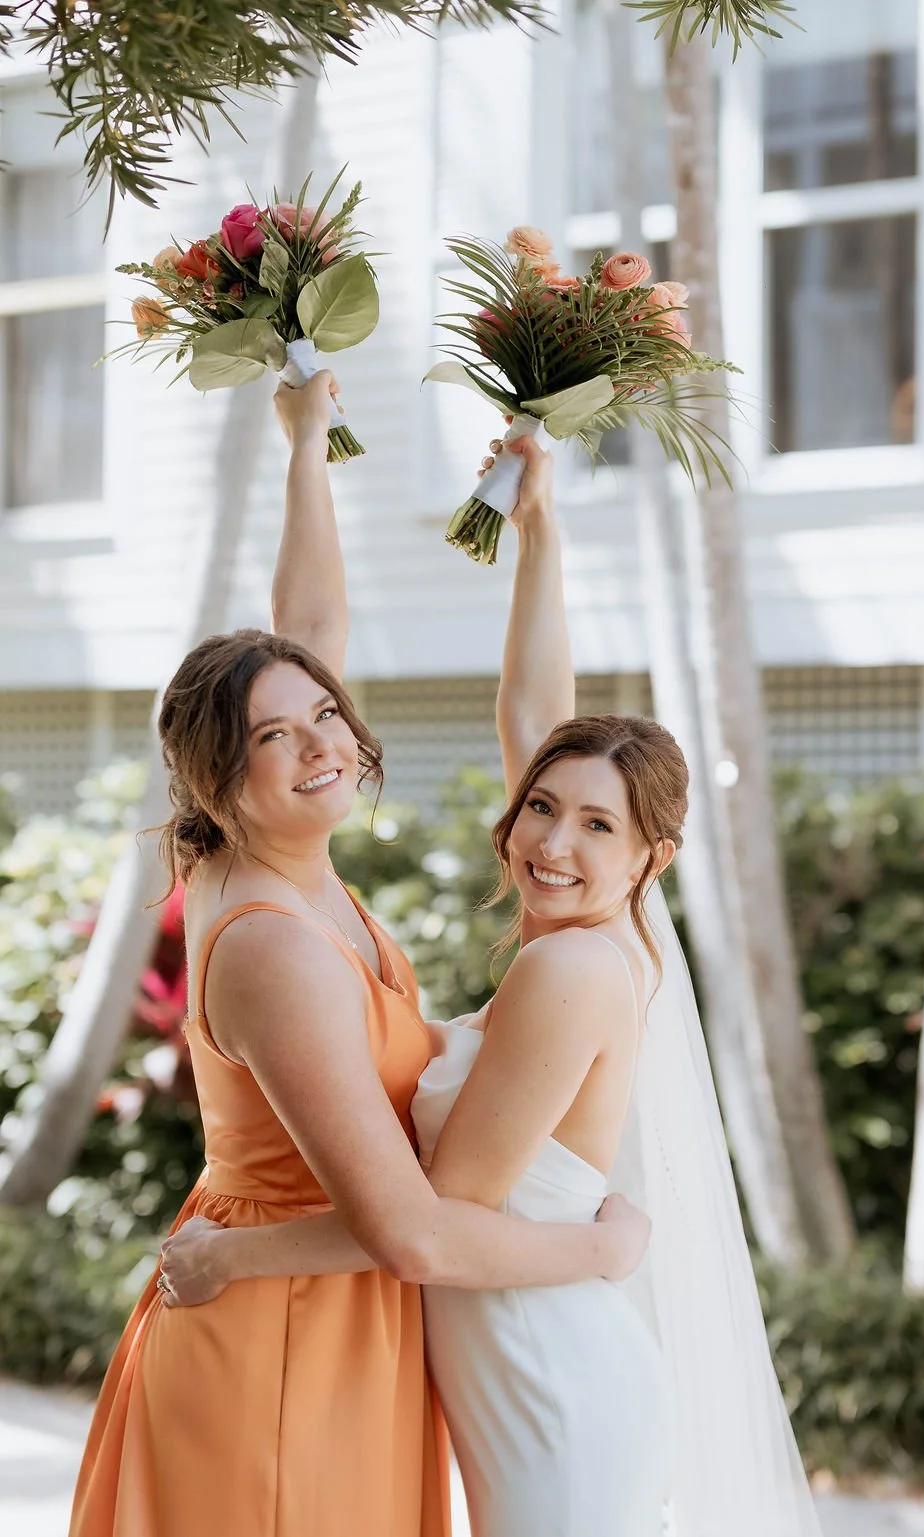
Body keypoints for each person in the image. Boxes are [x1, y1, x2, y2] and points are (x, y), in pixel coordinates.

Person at [160, 378, 824, 1537]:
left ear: (650, 860)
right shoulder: (559, 920)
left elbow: (424, 1224)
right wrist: (528, 526)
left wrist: (235, 1254)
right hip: (491, 1356)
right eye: (541, 810)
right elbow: (346, 656)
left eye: (596, 827)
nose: (554, 840)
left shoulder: (567, 969)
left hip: (543, 1370)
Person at [68, 374, 650, 1537]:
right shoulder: (273, 942)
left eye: (323, 715)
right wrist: (599, 1248)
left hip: (346, 1317)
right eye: (270, 739)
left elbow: (308, 637)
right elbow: (414, 1230)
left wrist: (303, 444)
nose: (319, 744)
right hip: (281, 1334)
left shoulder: (284, 858)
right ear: (217, 782)